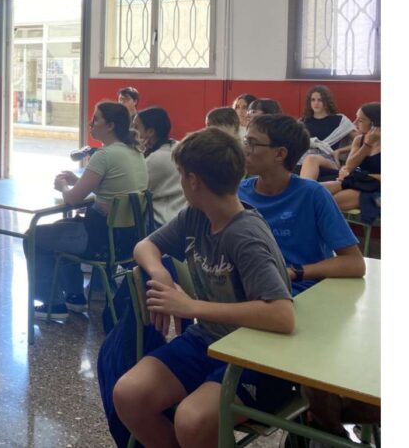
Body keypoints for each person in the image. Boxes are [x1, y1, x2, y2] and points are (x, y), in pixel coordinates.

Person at [113, 128, 296, 448]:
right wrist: (160, 274)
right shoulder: (195, 216)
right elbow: (145, 246)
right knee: (128, 395)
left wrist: (191, 307)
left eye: (181, 174)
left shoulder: (245, 235)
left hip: (257, 357)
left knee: (192, 420)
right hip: (208, 340)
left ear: (193, 180)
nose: (180, 181)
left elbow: (283, 315)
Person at [34, 101, 147, 317]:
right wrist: (79, 181)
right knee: (61, 227)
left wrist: (63, 186)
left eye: (96, 119)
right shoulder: (135, 153)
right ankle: (74, 298)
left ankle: (52, 303)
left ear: (110, 125)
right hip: (127, 240)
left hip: (99, 241)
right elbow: (112, 189)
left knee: (34, 236)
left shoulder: (103, 155)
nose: (91, 123)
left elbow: (72, 199)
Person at [238, 114, 364, 294]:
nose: (245, 150)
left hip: (299, 292)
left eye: (252, 143)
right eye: (245, 141)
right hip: (248, 290)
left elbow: (355, 263)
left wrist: (294, 272)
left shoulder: (312, 195)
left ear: (280, 154)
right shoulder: (238, 193)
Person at [322, 103, 381, 212]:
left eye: (360, 120)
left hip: (374, 188)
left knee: (330, 201)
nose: (354, 123)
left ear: (374, 124)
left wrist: (364, 175)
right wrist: (367, 144)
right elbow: (350, 166)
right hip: (357, 181)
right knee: (313, 191)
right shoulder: (359, 140)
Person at [134, 107, 186, 227]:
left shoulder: (155, 159)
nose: (131, 131)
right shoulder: (177, 146)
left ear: (150, 132)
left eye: (136, 127)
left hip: (160, 222)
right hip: (181, 217)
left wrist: (136, 152)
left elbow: (135, 189)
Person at [296, 85, 354, 180]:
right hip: (302, 160)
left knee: (311, 159)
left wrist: (339, 151)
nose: (316, 103)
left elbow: (360, 141)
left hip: (328, 160)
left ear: (327, 101)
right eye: (313, 100)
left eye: (320, 100)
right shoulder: (302, 122)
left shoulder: (340, 120)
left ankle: (305, 188)